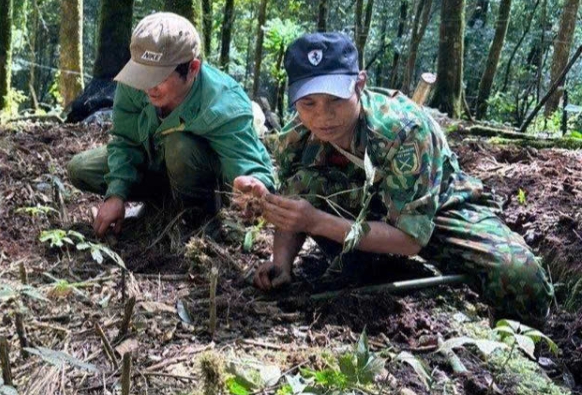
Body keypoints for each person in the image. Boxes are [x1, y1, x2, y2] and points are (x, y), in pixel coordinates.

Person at [234, 32, 553, 321]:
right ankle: (373, 266)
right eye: (308, 103)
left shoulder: (403, 130)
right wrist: (282, 263)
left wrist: (316, 222)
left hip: (436, 210)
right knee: (311, 191)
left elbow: (412, 237)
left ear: (359, 84)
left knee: (521, 280)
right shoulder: (297, 137)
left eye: (335, 100)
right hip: (361, 208)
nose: (322, 115)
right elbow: (295, 204)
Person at [68, 12, 275, 237]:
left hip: (202, 179)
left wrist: (253, 185)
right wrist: (116, 195)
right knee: (80, 168)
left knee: (179, 145)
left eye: (159, 77)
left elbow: (245, 162)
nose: (148, 87)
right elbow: (125, 141)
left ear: (192, 69)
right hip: (156, 163)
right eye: (142, 73)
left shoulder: (224, 102)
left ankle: (195, 217)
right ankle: (160, 203)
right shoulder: (135, 85)